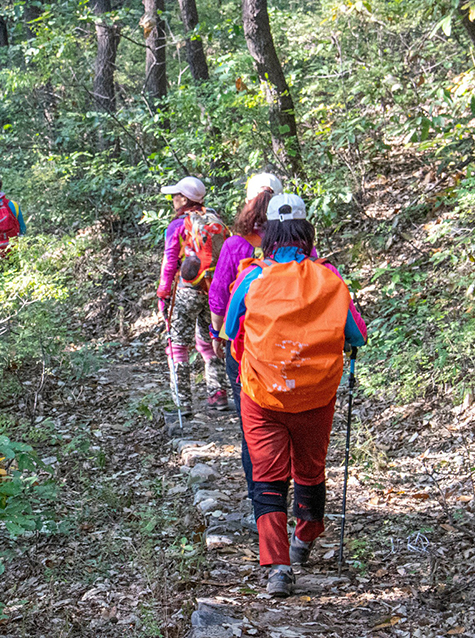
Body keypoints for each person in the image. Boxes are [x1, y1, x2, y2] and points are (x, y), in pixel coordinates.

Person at [222, 193, 366, 598]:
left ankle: (279, 568)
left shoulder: (252, 278)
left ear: (267, 233)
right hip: (317, 396)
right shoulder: (331, 279)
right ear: (306, 232)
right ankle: (305, 536)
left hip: (262, 395)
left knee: (268, 480)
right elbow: (357, 336)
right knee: (310, 470)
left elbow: (231, 332)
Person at [207, 173, 283, 513]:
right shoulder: (298, 247)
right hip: (290, 349)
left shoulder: (235, 245)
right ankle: (287, 500)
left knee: (253, 428)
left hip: (245, 349)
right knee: (288, 425)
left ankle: (261, 505)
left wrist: (218, 336)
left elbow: (219, 299)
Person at [156, 177, 229, 427]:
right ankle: (218, 394)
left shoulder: (177, 225)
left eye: (175, 195)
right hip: (213, 290)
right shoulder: (214, 218)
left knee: (177, 345)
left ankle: (182, 403)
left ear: (184, 199)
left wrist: (163, 293)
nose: (172, 200)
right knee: (209, 340)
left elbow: (169, 261)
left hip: (186, 290)